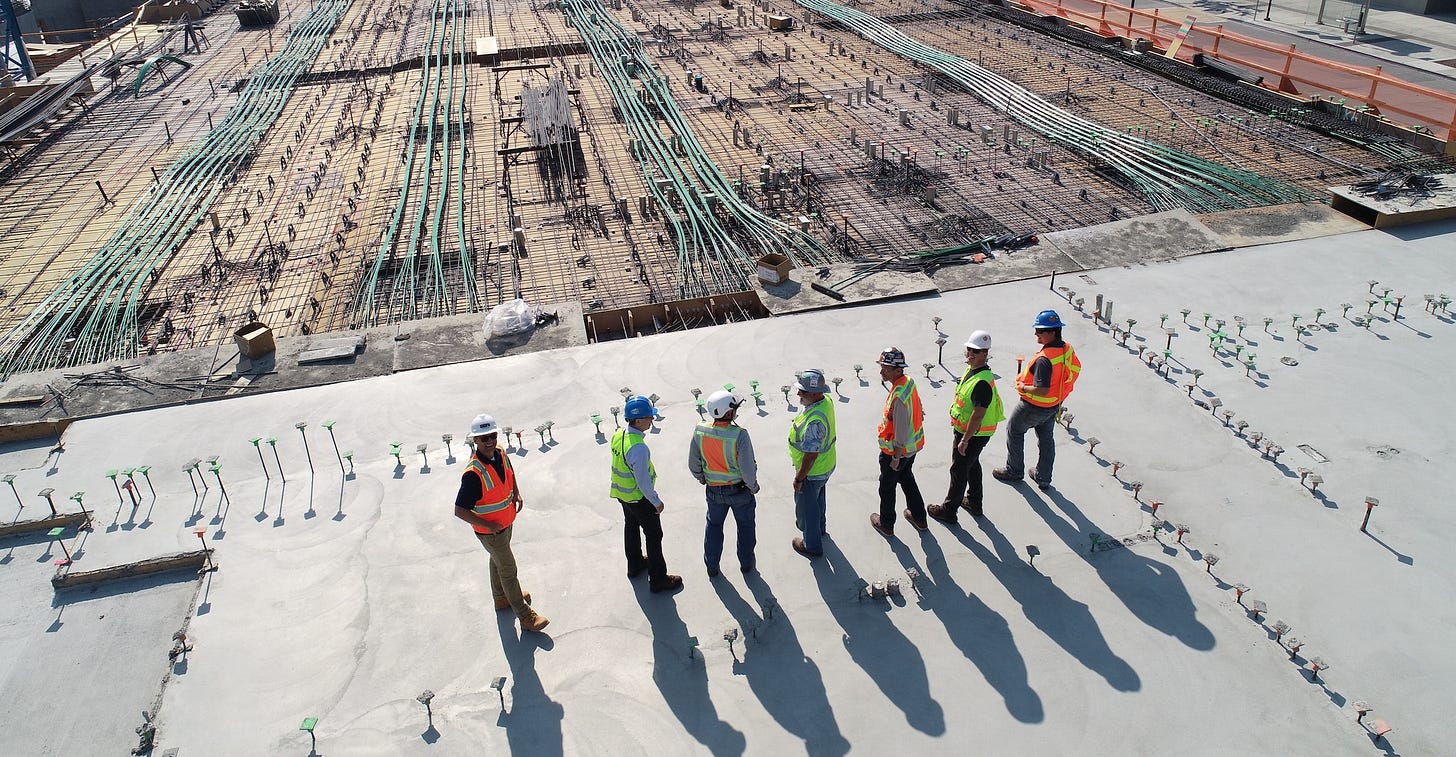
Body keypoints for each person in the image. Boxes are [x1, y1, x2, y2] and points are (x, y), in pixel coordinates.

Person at [454, 413, 549, 633]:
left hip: (505, 523)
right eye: (484, 438)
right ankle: (525, 617)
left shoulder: (500, 453)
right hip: (491, 531)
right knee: (508, 569)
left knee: (497, 561)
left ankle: (501, 598)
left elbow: (509, 472)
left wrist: (516, 492)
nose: (489, 442)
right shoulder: (473, 474)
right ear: (475, 441)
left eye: (492, 436)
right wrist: (488, 526)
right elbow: (460, 510)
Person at [994, 309, 1082, 490]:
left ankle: (1014, 470)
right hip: (1054, 404)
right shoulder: (1066, 349)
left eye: (1040, 331)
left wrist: (1023, 387)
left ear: (1052, 332)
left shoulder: (1044, 360)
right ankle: (1043, 477)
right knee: (1046, 438)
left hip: (1033, 405)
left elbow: (1041, 389)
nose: (1036, 334)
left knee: (1014, 431)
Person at [610, 395, 683, 593]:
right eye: (650, 417)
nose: (652, 419)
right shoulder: (639, 448)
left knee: (631, 527)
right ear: (639, 420)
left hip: (622, 494)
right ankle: (658, 578)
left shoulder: (619, 435)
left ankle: (634, 565)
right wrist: (656, 501)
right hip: (639, 498)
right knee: (653, 535)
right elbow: (643, 481)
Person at [930, 330, 1004, 524]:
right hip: (970, 432)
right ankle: (974, 501)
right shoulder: (972, 371)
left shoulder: (982, 382)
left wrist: (965, 440)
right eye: (969, 350)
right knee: (972, 464)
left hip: (972, 434)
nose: (970, 354)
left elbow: (978, 414)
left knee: (959, 470)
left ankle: (948, 511)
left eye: (976, 351)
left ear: (985, 354)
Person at [687, 390, 760, 576]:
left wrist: (702, 478)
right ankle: (746, 563)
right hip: (740, 491)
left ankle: (712, 566)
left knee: (713, 526)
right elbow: (747, 468)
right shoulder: (739, 435)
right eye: (734, 408)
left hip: (713, 491)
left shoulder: (700, 430)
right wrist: (753, 487)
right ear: (728, 413)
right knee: (745, 527)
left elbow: (693, 463)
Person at [870, 347, 926, 537]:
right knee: (907, 479)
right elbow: (917, 404)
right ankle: (919, 517)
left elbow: (900, 430)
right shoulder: (908, 383)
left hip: (896, 452)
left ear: (897, 370)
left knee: (886, 487)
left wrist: (896, 457)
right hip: (912, 449)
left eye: (886, 368)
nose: (881, 372)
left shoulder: (899, 397)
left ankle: (886, 524)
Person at [789, 369, 836, 558]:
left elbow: (810, 455)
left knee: (807, 509)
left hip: (813, 471)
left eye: (803, 391)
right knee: (817, 500)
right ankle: (820, 529)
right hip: (825, 467)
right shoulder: (825, 402)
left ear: (816, 393)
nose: (799, 394)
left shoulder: (815, 422)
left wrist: (799, 478)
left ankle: (811, 544)